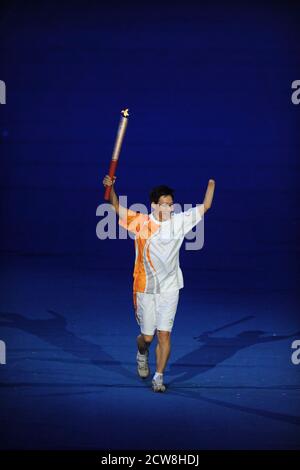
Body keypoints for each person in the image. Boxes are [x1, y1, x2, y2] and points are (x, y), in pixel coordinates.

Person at [103, 174, 215, 392]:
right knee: (147, 337)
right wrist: (112, 187)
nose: (169, 208)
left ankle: (159, 377)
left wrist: (211, 184)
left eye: (171, 205)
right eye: (164, 204)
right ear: (154, 205)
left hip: (171, 287)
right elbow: (116, 206)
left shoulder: (180, 222)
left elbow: (207, 205)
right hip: (145, 288)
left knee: (164, 334)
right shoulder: (141, 223)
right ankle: (142, 352)